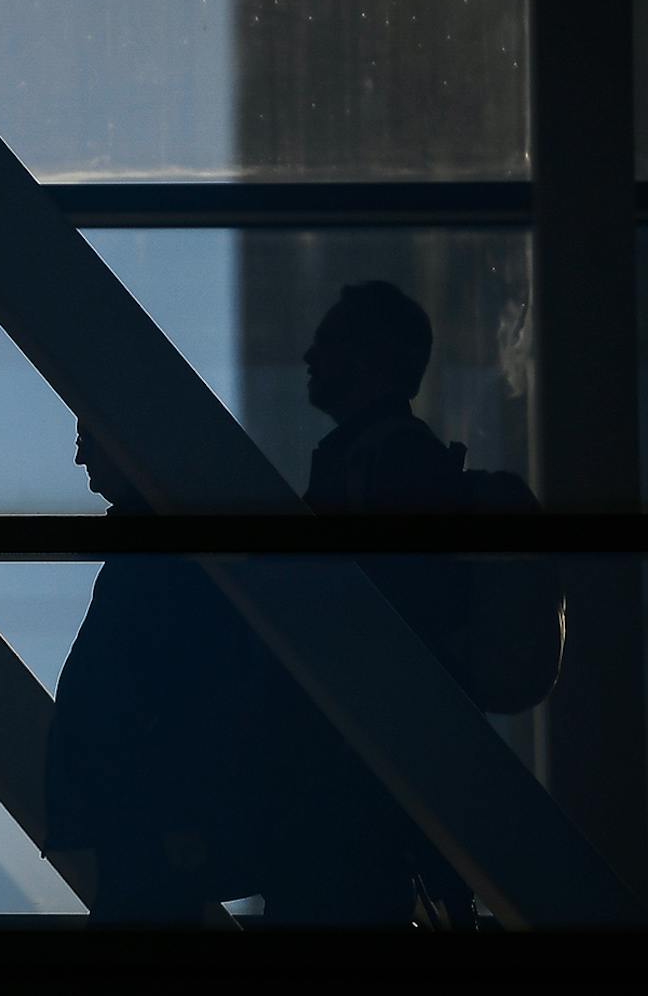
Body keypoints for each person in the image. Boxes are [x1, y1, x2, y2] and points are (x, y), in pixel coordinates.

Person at [253, 279, 472, 927]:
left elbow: (395, 612)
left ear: (369, 357)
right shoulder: (382, 453)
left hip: (353, 768)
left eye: (328, 341)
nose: (310, 356)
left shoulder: (387, 458)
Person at [44, 426, 265, 926]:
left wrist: (179, 812)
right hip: (147, 809)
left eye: (89, 438)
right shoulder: (165, 553)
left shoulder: (160, 563)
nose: (79, 456)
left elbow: (175, 690)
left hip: (145, 807)